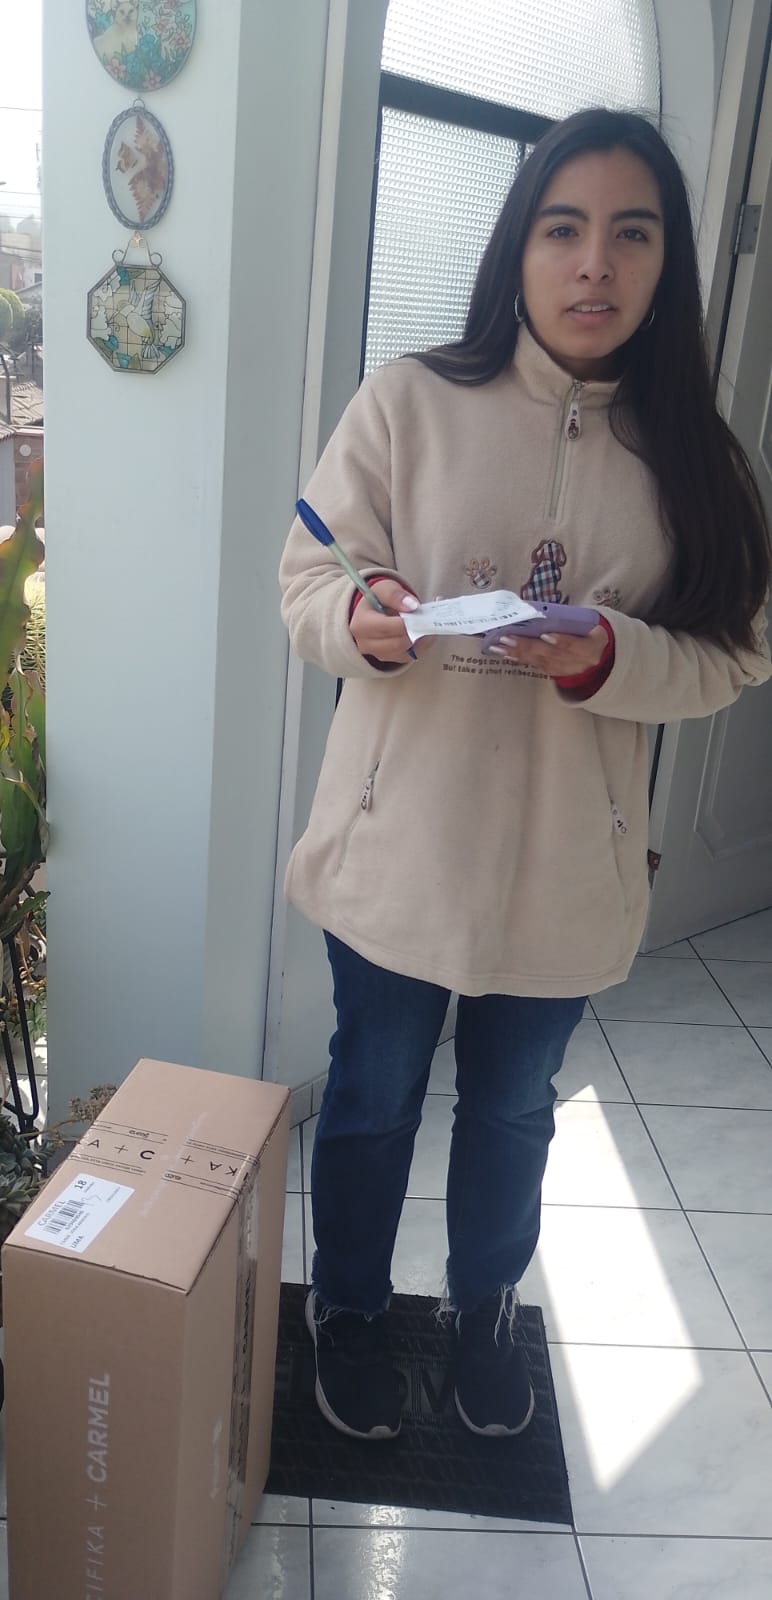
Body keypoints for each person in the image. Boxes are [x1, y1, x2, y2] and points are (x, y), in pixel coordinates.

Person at [279, 108, 772, 1444]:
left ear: (668, 262)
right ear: (521, 246)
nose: (595, 263)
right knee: (371, 1101)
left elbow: (734, 654)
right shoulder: (409, 403)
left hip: (567, 871)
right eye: (565, 228)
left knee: (511, 1112)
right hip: (399, 850)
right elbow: (310, 575)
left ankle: (484, 1306)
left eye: (632, 233)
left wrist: (614, 655)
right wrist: (363, 617)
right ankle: (350, 1310)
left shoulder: (695, 458)